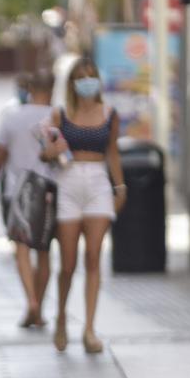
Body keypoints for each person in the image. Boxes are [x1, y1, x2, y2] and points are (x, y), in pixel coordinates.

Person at [42, 58, 126, 354]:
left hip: (98, 183)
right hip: (68, 181)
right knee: (67, 263)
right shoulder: (60, 114)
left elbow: (113, 151)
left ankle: (89, 328)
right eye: (80, 77)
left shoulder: (109, 113)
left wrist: (120, 186)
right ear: (72, 83)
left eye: (91, 76)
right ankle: (62, 316)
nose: (86, 81)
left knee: (93, 257)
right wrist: (52, 150)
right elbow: (46, 154)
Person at [0, 70, 55, 329]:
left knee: (22, 248)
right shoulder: (58, 116)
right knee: (45, 251)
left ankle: (31, 301)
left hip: (15, 191)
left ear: (29, 89)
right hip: (50, 191)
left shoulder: (12, 117)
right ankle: (39, 303)